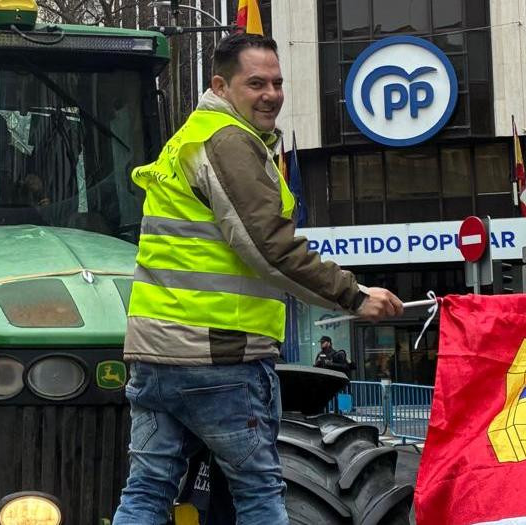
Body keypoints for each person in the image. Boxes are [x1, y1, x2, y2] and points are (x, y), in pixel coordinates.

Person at [113, 33, 404, 525]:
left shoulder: (189, 139)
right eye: (256, 83)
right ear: (220, 86)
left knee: (147, 491)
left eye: (277, 82)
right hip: (221, 356)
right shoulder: (228, 141)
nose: (271, 94)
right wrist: (354, 296)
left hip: (156, 356)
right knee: (259, 494)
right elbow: (270, 246)